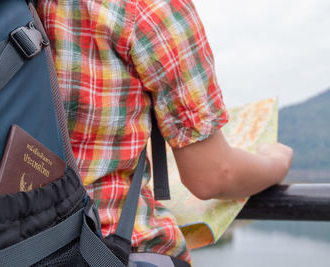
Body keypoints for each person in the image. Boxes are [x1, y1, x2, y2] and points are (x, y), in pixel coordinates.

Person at [37, 0, 293, 264]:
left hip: (9, 244)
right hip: (113, 248)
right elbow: (214, 174)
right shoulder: (147, 6)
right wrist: (276, 161)